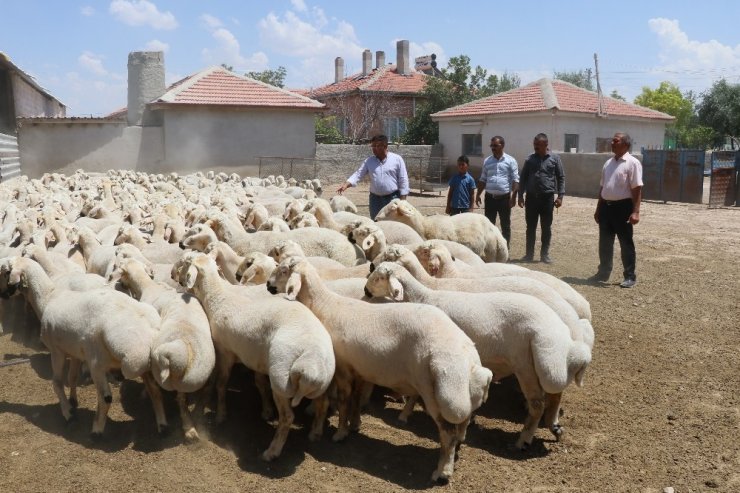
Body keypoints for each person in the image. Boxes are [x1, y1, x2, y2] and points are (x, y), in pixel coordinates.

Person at [591, 132, 643, 288]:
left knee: (626, 243)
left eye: (616, 140)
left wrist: (636, 211)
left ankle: (629, 276)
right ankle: (603, 273)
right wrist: (598, 208)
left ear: (626, 144)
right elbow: (603, 187)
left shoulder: (632, 163)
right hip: (606, 207)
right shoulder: (608, 163)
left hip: (623, 208)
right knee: (605, 243)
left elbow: (637, 189)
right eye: (612, 140)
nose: (612, 143)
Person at [337, 134, 410, 220]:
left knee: (392, 222)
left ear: (385, 146)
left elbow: (403, 179)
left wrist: (403, 200)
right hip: (375, 200)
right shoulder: (369, 161)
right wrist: (346, 184)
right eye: (373, 146)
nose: (374, 148)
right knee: (375, 221)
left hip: (392, 198)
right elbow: (358, 174)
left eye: (377, 146)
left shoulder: (397, 159)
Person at [517, 133, 565, 264]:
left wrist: (560, 196)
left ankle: (545, 255)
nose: (535, 147)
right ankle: (529, 255)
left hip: (547, 199)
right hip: (531, 198)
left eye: (538, 145)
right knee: (530, 227)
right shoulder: (530, 159)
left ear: (546, 144)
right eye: (534, 144)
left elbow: (560, 177)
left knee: (546, 227)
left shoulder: (555, 159)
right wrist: (520, 195)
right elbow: (523, 178)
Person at [475, 136, 519, 248]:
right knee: (489, 226)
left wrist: (513, 196)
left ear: (502, 145)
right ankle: (490, 249)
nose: (493, 148)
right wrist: (478, 194)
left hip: (505, 199)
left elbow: (515, 179)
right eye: (491, 146)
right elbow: (483, 179)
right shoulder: (487, 161)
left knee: (505, 226)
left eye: (495, 145)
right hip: (490, 199)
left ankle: (505, 250)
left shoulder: (510, 161)